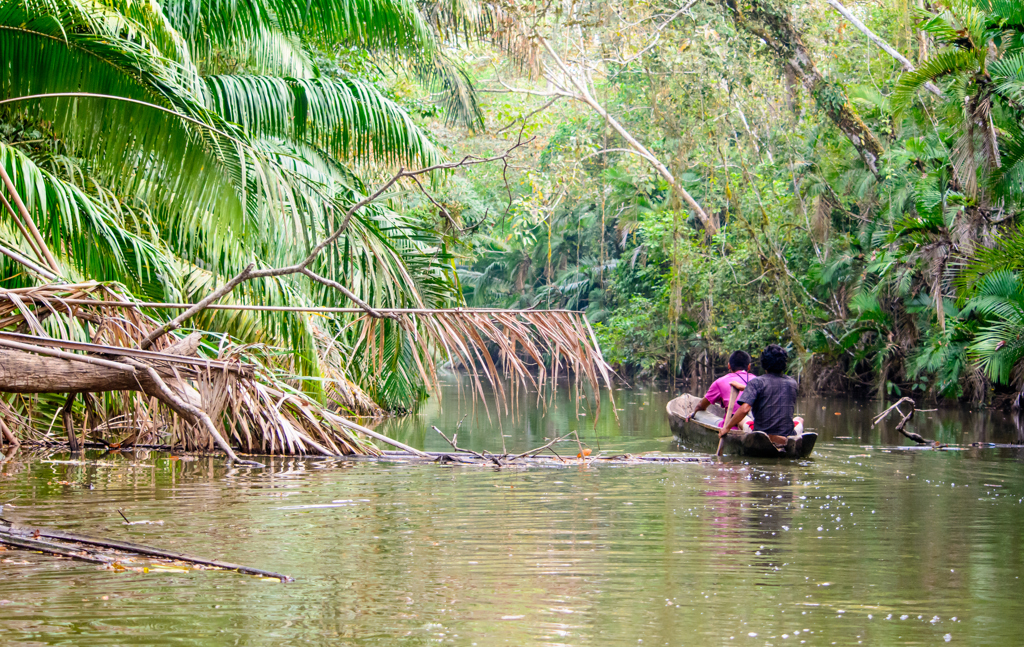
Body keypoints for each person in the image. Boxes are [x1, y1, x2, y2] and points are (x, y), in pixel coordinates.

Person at [723, 344, 799, 445]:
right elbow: (772, 391)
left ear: (764, 363)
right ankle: (791, 441)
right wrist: (745, 388)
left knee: (741, 419)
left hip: (762, 435)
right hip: (786, 435)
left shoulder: (757, 382)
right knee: (799, 419)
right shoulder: (793, 383)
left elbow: (745, 409)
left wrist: (727, 427)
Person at [689, 350, 755, 429]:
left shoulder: (720, 382)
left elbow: (701, 406)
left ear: (729, 366)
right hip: (755, 423)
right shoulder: (757, 380)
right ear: (749, 366)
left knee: (698, 413)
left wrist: (693, 414)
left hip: (729, 427)